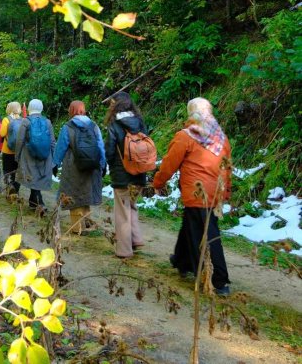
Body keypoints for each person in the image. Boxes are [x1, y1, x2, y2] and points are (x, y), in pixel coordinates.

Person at [153, 98, 232, 295]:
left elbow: (169, 164)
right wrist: (226, 190)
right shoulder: (220, 138)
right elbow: (227, 167)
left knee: (207, 234)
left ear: (191, 113)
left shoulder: (186, 136)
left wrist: (158, 182)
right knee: (191, 224)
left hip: (198, 192)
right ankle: (182, 260)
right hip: (215, 191)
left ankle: (218, 280)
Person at [105, 91, 148, 258]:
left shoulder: (114, 125)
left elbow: (109, 150)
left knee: (122, 211)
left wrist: (110, 166)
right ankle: (136, 239)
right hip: (139, 172)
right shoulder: (141, 123)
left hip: (122, 174)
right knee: (131, 205)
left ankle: (124, 250)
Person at [53, 101, 106, 235]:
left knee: (73, 194)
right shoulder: (94, 126)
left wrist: (55, 164)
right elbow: (100, 145)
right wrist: (103, 164)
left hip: (74, 166)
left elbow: (60, 148)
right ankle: (87, 222)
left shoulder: (68, 127)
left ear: (71, 110)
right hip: (92, 165)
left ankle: (78, 228)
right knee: (86, 192)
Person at [16, 99, 55, 212]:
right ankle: (34, 203)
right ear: (41, 108)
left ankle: (40, 203)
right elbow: (52, 141)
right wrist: (54, 158)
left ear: (29, 108)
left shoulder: (25, 121)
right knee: (37, 178)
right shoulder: (47, 122)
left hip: (28, 155)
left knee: (32, 177)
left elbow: (20, 140)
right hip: (45, 155)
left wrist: (17, 156)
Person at [0, 102, 23, 198]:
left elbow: (2, 133)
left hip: (7, 150)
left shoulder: (6, 119)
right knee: (17, 171)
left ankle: (10, 186)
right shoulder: (23, 120)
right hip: (19, 151)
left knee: (7, 170)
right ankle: (16, 192)